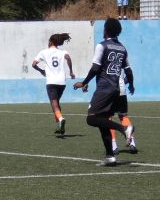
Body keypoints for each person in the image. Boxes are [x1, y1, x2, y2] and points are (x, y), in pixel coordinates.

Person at [73, 18, 135, 166]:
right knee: (103, 123)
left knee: (91, 119)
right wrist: (131, 85)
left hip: (104, 88)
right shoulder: (122, 48)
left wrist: (84, 82)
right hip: (116, 89)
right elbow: (129, 71)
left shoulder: (102, 46)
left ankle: (124, 128)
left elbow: (95, 68)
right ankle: (110, 157)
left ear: (106, 30)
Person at [32, 33, 75, 134]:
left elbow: (33, 64)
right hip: (62, 82)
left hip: (51, 82)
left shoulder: (44, 52)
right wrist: (71, 71)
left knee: (54, 103)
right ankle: (59, 127)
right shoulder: (63, 52)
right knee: (56, 103)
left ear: (50, 42)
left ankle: (60, 119)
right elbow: (68, 58)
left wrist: (41, 71)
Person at [109, 70, 137, 155]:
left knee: (108, 118)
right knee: (123, 116)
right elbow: (129, 73)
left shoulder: (104, 57)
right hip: (121, 90)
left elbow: (96, 70)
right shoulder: (123, 56)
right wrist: (129, 85)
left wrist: (85, 83)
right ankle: (132, 143)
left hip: (109, 90)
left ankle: (114, 146)